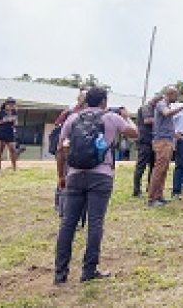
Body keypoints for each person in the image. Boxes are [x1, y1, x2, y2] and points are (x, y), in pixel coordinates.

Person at [54, 86, 138, 284]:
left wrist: (61, 176)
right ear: (104, 102)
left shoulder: (72, 119)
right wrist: (126, 116)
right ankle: (89, 270)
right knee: (95, 223)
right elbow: (135, 133)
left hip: (74, 174)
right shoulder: (111, 118)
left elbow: (60, 149)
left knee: (68, 224)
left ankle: (60, 273)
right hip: (101, 175)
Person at [148, 86, 183, 207]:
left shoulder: (167, 105)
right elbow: (166, 114)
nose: (176, 98)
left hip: (168, 139)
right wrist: (182, 107)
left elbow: (165, 123)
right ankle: (152, 198)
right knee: (159, 169)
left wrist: (175, 134)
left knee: (164, 170)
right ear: (170, 94)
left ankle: (159, 196)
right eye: (175, 95)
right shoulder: (161, 104)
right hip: (162, 141)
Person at [133, 95, 161, 198]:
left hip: (154, 141)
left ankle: (151, 188)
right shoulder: (146, 108)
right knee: (141, 166)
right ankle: (136, 190)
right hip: (145, 141)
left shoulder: (154, 109)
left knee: (153, 167)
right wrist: (161, 118)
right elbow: (147, 120)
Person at [0, 98, 19, 172]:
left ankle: (14, 167)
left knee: (12, 149)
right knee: (0, 150)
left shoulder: (14, 112)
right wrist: (3, 120)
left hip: (10, 132)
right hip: (2, 131)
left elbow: (16, 123)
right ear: (5, 104)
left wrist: (14, 121)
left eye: (12, 104)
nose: (11, 106)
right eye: (9, 104)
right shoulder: (0, 112)